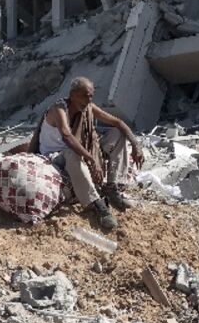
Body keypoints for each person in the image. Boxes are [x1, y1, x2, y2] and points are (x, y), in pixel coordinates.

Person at [30, 77, 144, 230]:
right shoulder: (59, 109)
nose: (88, 100)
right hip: (55, 155)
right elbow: (67, 136)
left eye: (91, 96)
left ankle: (112, 187)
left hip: (80, 150)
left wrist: (136, 146)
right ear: (73, 95)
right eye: (85, 95)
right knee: (72, 154)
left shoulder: (88, 107)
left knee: (118, 134)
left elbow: (118, 123)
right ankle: (97, 205)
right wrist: (91, 159)